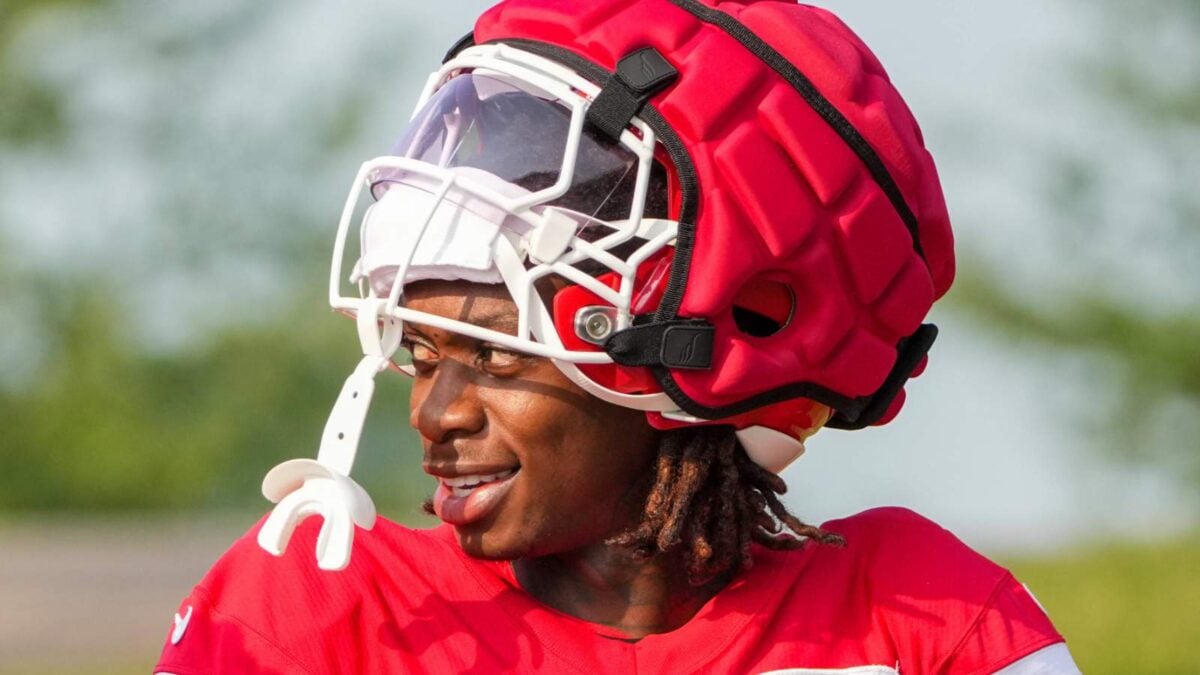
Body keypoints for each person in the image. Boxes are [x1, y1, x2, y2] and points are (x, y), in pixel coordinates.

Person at [155, 1, 1081, 673]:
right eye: (424, 352)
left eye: (495, 353)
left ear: (700, 351)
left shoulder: (921, 618)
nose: (434, 412)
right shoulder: (324, 612)